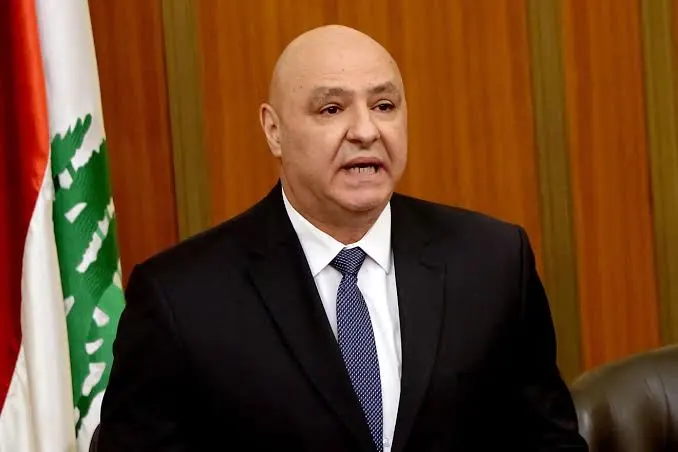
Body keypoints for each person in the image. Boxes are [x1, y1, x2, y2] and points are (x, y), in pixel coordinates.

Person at [98, 24, 588, 451]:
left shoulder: (492, 262)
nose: (365, 131)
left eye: (384, 105)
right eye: (332, 109)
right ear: (274, 130)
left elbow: (548, 441)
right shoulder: (181, 298)